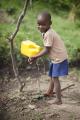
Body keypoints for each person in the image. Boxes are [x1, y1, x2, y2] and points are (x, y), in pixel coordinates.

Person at [28, 11, 68, 104]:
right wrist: (35, 55)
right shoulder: (45, 31)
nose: (41, 26)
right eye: (39, 24)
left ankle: (58, 100)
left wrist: (35, 56)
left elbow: (47, 50)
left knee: (55, 78)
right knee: (52, 75)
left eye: (43, 24)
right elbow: (46, 47)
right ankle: (50, 91)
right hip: (55, 56)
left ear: (50, 23)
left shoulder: (49, 34)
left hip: (58, 57)